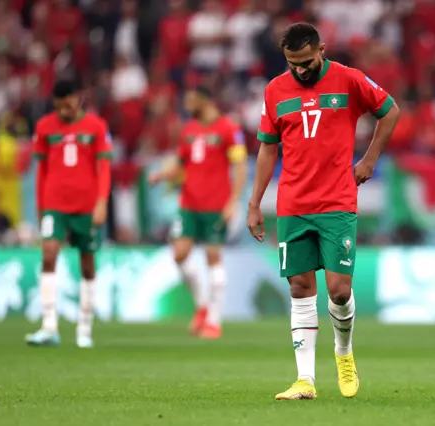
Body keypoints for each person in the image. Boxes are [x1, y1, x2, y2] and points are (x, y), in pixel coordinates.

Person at [247, 23, 400, 400]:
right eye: (292, 63)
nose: (299, 70)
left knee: (339, 290)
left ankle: (344, 353)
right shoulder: (275, 90)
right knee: (300, 287)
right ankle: (305, 380)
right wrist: (254, 203)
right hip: (293, 204)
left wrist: (368, 160)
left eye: (305, 61)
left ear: (322, 49)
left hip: (337, 201)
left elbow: (390, 111)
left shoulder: (348, 80)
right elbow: (268, 148)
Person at [148, 86, 248, 339]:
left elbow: (240, 167)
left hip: (216, 205)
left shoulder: (228, 128)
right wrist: (161, 175)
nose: (187, 104)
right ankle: (202, 306)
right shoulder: (188, 130)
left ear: (204, 100)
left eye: (191, 99)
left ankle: (214, 320)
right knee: (179, 254)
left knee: (213, 257)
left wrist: (233, 201)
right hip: (189, 205)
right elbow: (182, 164)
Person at [26, 79, 112, 348]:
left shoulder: (96, 126)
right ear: (54, 103)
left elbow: (104, 168)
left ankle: (84, 328)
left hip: (86, 206)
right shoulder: (43, 127)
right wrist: (40, 207)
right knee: (49, 253)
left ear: (79, 97)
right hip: (54, 203)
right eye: (61, 105)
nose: (66, 109)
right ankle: (49, 326)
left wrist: (101, 201)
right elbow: (40, 172)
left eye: (70, 102)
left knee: (87, 263)